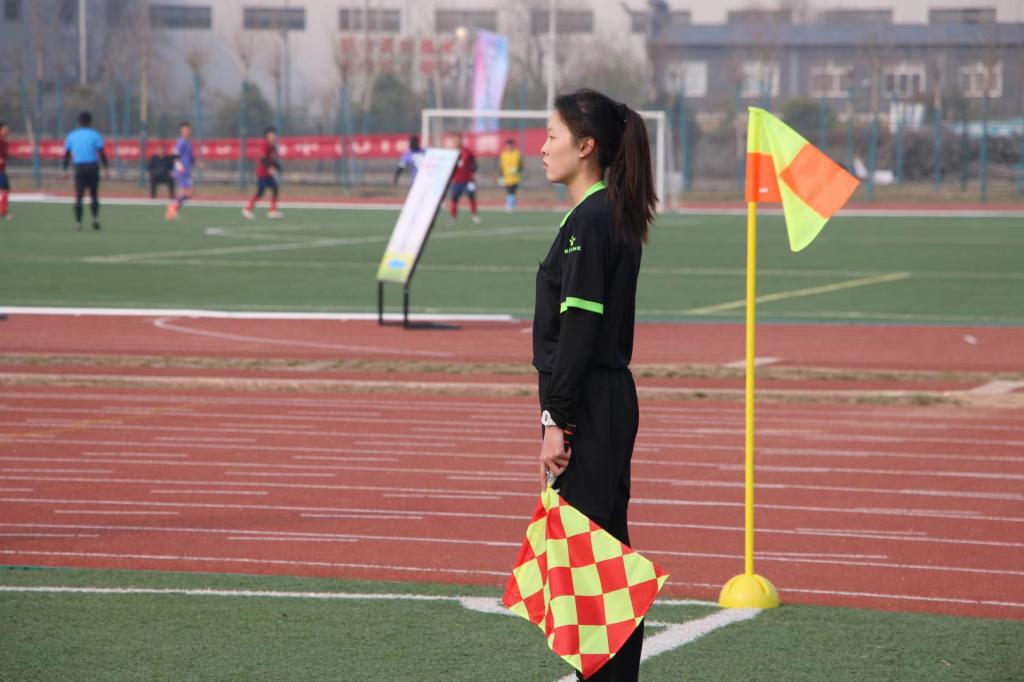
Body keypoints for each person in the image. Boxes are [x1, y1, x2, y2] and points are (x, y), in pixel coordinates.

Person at [533, 88, 657, 682]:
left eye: (552, 135)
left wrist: (556, 419)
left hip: (589, 403)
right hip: (603, 400)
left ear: (586, 147)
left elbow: (578, 330)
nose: (542, 147)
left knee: (593, 560)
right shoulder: (602, 213)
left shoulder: (591, 218)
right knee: (603, 556)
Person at [63, 111, 109, 231]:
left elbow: (66, 154)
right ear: (90, 122)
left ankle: (78, 223)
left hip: (79, 167)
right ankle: (95, 218)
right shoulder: (95, 135)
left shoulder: (72, 135)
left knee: (79, 196)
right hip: (92, 167)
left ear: (79, 122)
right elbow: (101, 152)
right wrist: (106, 168)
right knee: (94, 195)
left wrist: (65, 170)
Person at [242, 126, 283, 220]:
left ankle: (272, 211)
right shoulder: (264, 145)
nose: (273, 137)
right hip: (263, 174)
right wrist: (270, 168)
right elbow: (263, 159)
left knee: (275, 189)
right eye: (271, 135)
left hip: (268, 175)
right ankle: (248, 209)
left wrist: (278, 167)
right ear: (266, 136)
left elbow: (273, 160)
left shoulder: (273, 147)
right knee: (260, 192)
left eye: (274, 135)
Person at [165, 121, 195, 220]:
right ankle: (172, 209)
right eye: (184, 129)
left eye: (188, 129)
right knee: (186, 192)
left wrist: (195, 163)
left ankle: (172, 210)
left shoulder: (189, 142)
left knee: (187, 193)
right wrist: (179, 167)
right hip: (181, 171)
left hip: (187, 171)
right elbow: (175, 156)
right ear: (181, 131)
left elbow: (190, 157)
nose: (186, 131)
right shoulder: (180, 142)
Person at [448, 132, 480, 224]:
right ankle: (453, 217)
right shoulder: (451, 153)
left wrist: (472, 171)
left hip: (469, 180)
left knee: (471, 197)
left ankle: (474, 216)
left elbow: (474, 164)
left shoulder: (467, 152)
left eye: (458, 139)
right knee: (454, 198)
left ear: (461, 140)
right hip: (457, 180)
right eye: (454, 140)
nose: (456, 141)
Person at [498, 137, 523, 212]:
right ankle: (511, 205)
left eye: (511, 145)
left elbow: (521, 165)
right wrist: (500, 176)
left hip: (515, 177)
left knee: (512, 191)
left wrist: (517, 171)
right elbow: (501, 166)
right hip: (506, 177)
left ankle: (510, 205)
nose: (509, 146)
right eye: (508, 145)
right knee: (509, 191)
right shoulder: (503, 154)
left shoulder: (517, 154)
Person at [0, 121, 10, 220]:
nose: (7, 131)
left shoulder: (5, 142)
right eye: (5, 129)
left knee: (5, 189)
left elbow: (5, 156)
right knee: (4, 189)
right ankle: (3, 212)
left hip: (2, 170)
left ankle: (3, 211)